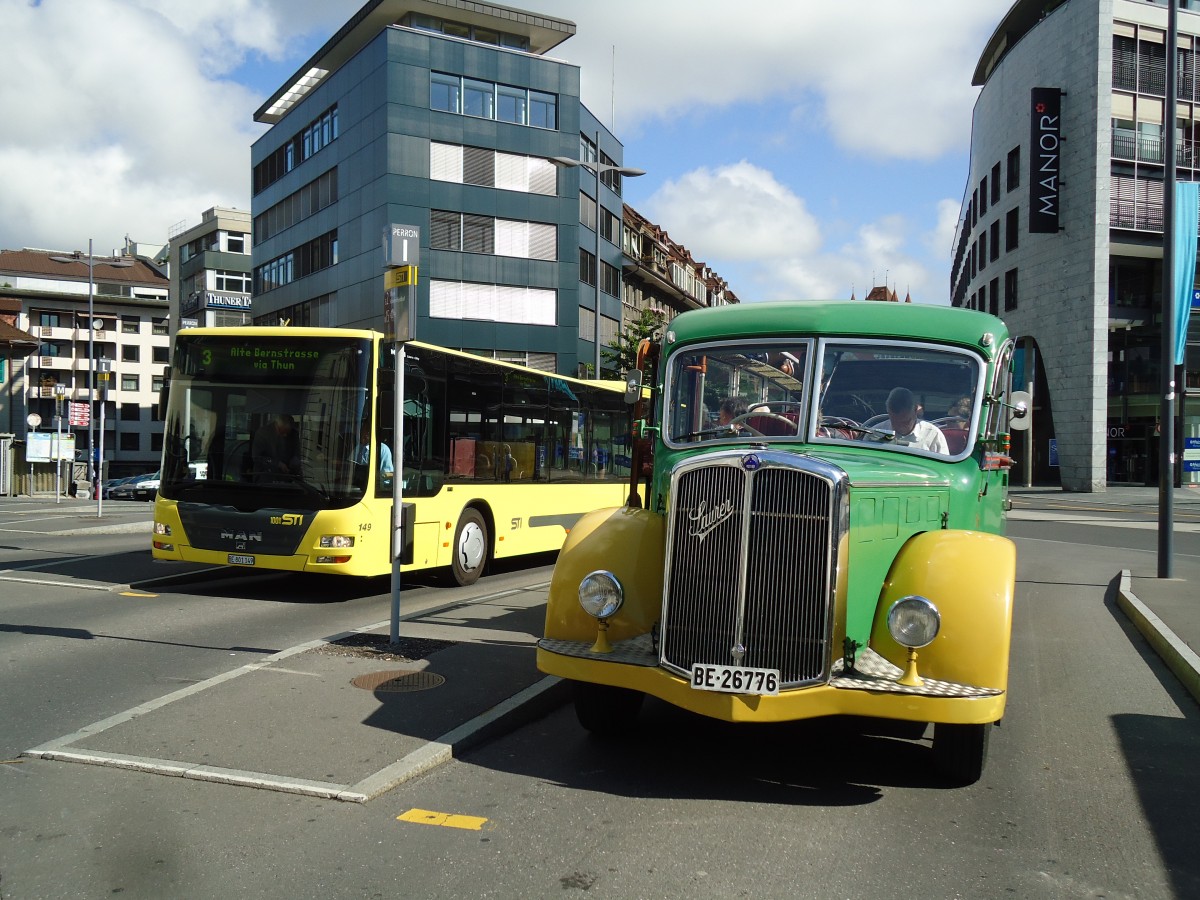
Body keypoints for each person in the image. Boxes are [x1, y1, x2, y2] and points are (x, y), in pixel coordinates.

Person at [884, 387, 948, 454]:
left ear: (915, 410)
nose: (900, 427)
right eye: (894, 422)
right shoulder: (876, 432)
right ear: (888, 413)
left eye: (905, 422)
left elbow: (943, 464)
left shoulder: (933, 434)